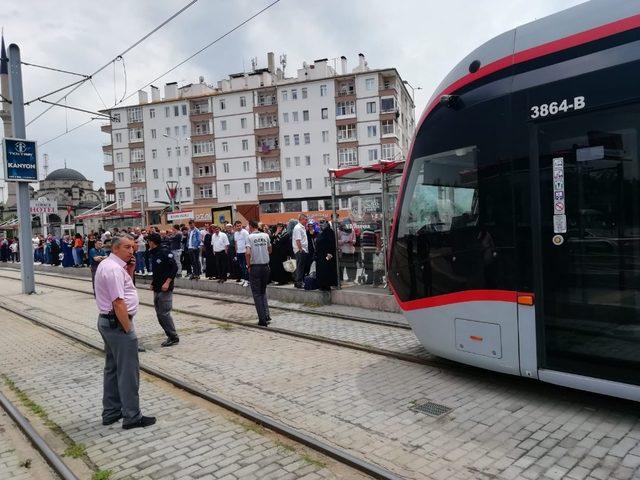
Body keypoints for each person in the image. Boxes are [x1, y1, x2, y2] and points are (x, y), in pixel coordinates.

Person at [94, 233, 156, 429]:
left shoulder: (111, 266)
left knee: (112, 368)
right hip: (118, 324)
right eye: (127, 247)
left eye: (133, 247)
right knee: (128, 372)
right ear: (115, 249)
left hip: (109, 323)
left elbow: (123, 289)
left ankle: (111, 412)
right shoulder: (112, 269)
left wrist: (130, 269)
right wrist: (128, 329)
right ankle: (132, 416)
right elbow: (118, 302)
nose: (132, 250)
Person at [147, 232, 180, 347]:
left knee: (164, 313)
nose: (148, 244)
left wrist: (167, 282)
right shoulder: (154, 253)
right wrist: (153, 282)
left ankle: (173, 337)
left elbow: (174, 268)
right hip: (157, 286)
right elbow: (158, 270)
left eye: (148, 241)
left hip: (165, 288)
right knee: (159, 314)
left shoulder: (165, 252)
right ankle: (170, 335)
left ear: (152, 242)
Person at [246, 219, 272, 326]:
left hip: (255, 267)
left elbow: (247, 253)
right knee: (263, 292)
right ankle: (267, 315)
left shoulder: (250, 237)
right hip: (265, 266)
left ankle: (262, 320)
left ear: (251, 227)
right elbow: (270, 250)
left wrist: (248, 266)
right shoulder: (265, 235)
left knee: (256, 294)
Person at [314, 218, 338, 291]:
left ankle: (327, 285)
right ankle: (322, 285)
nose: (321, 225)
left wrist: (329, 254)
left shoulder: (329, 232)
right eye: (320, 223)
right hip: (320, 255)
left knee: (327, 270)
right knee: (321, 270)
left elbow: (331, 244)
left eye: (323, 223)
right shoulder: (321, 232)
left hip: (327, 255)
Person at [292, 214, 309, 288]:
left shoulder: (302, 227)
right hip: (300, 250)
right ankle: (299, 282)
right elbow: (298, 240)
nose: (306, 221)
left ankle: (299, 281)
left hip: (303, 250)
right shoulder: (298, 228)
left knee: (301, 266)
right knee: (300, 267)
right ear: (301, 219)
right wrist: (301, 249)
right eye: (305, 219)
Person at [233, 221, 250, 287]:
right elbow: (236, 243)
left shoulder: (245, 232)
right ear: (235, 226)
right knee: (241, 267)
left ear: (241, 225)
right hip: (239, 252)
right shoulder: (235, 233)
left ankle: (247, 280)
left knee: (246, 266)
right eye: (237, 226)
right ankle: (244, 279)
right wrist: (236, 252)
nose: (239, 227)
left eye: (240, 225)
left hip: (244, 252)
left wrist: (247, 252)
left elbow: (247, 243)